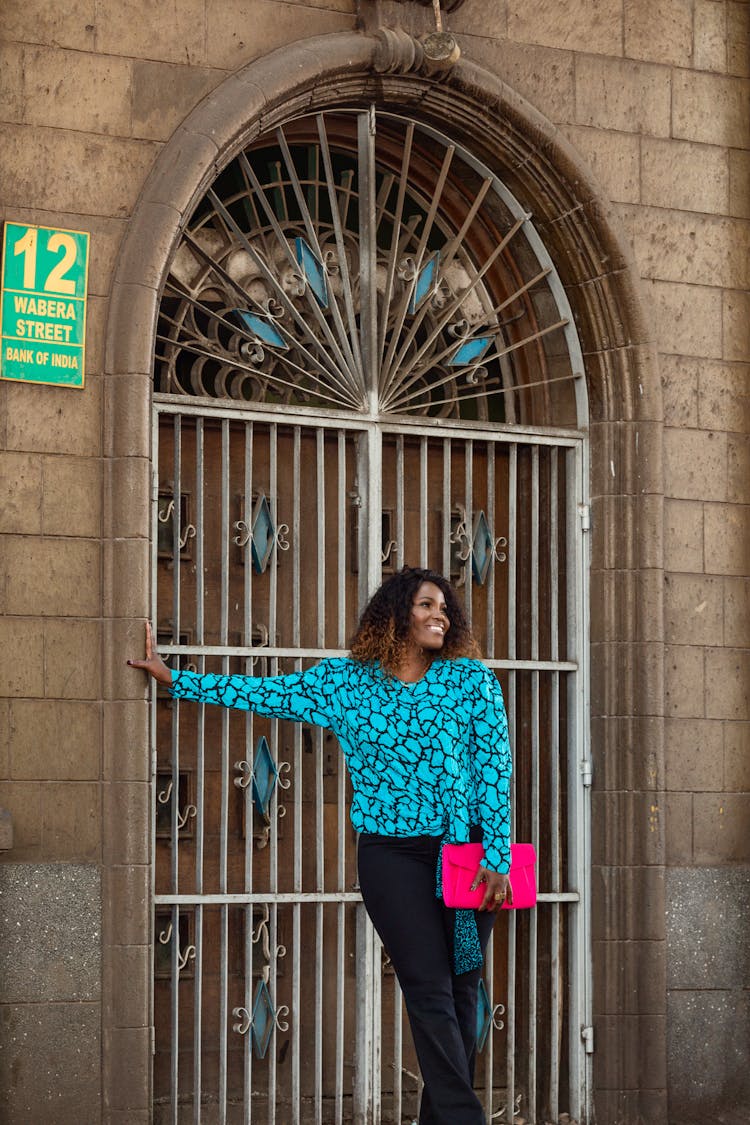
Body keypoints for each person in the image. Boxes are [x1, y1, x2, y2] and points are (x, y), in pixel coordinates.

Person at [128, 565, 512, 1125]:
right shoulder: (345, 683)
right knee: (428, 992)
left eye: (444, 608)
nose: (440, 615)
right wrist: (178, 679)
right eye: (426, 605)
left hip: (467, 859)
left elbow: (495, 771)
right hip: (393, 859)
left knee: (461, 994)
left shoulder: (472, 682)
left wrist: (497, 857)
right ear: (397, 612)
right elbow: (265, 692)